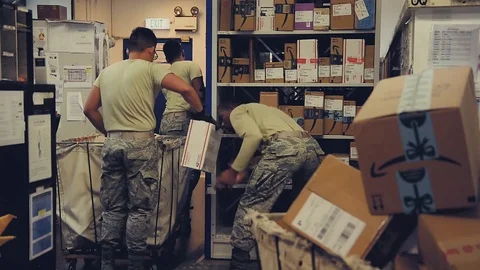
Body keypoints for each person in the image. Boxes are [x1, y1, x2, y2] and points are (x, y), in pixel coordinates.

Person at [83, 27, 212, 270]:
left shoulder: (107, 72)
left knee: (112, 208)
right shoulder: (152, 68)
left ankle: (107, 263)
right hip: (141, 145)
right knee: (138, 209)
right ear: (151, 50)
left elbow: (89, 108)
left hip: (112, 143)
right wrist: (200, 112)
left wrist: (108, 132)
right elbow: (185, 89)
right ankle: (136, 264)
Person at [216, 102, 324, 270]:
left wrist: (232, 171)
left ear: (230, 109)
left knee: (252, 205)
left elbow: (253, 137)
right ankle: (307, 259)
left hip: (286, 149)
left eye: (222, 118)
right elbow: (280, 144)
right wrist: (244, 169)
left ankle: (238, 263)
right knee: (305, 206)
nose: (223, 124)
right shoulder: (267, 112)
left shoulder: (238, 111)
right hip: (312, 148)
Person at [160, 40, 205, 235]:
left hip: (166, 121)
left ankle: (170, 217)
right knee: (190, 171)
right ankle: (180, 217)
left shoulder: (165, 73)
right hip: (184, 119)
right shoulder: (191, 65)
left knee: (170, 173)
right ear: (181, 52)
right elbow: (198, 92)